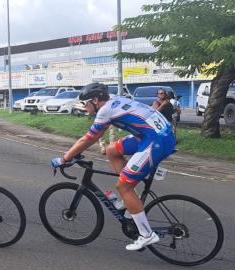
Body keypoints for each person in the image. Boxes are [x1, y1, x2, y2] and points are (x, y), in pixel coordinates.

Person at [50, 83, 176, 251]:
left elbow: (88, 139)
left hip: (156, 140)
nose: (84, 106)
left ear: (95, 100)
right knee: (111, 150)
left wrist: (65, 159)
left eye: (85, 102)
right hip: (152, 134)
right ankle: (130, 201)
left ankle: (146, 234)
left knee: (123, 186)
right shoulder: (113, 100)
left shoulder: (104, 111)